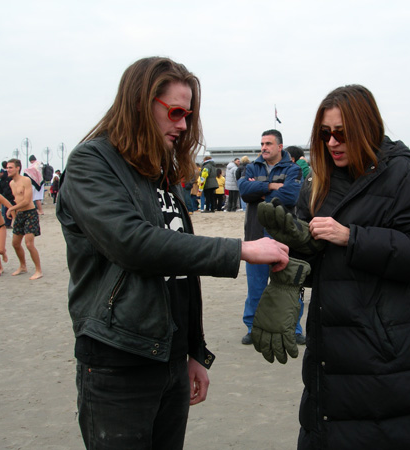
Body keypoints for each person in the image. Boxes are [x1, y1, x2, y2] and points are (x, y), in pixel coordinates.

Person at [55, 56, 289, 450]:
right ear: (139, 104)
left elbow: (179, 272)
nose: (182, 125)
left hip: (171, 358)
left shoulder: (158, 172)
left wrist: (193, 351)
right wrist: (240, 250)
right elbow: (133, 243)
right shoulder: (91, 163)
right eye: (175, 112)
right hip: (118, 360)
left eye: (188, 114)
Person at [263, 85, 410, 449]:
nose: (332, 142)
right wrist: (292, 258)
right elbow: (311, 261)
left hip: (385, 349)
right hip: (328, 351)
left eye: (342, 133)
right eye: (325, 133)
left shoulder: (404, 175)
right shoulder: (318, 180)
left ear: (367, 127)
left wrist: (353, 237)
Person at [237, 129, 304, 345]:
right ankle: (252, 327)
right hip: (255, 235)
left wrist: (259, 192)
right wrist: (270, 186)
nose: (264, 147)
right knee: (256, 286)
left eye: (268, 143)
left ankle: (293, 329)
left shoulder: (293, 169)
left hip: (284, 237)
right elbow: (244, 191)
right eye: (262, 143)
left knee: (288, 285)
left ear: (280, 147)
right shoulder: (251, 167)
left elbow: (290, 196)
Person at [6, 158, 43, 279]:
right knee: (15, 243)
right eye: (7, 167)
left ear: (18, 168)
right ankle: (23, 266)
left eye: (10, 167)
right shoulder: (11, 183)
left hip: (30, 213)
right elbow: (17, 200)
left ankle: (38, 270)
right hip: (20, 214)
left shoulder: (26, 180)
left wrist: (11, 208)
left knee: (29, 243)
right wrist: (14, 215)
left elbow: (27, 201)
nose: (8, 169)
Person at [0, 161, 14, 227]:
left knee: (8, 210)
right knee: (6, 211)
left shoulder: (8, 178)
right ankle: (7, 224)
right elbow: (0, 190)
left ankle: (8, 224)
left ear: (2, 173)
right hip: (6, 196)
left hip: (10, 197)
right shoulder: (1, 181)